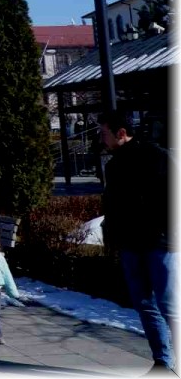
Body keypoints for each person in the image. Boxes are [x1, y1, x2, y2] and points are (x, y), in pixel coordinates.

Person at [99, 109, 178, 371]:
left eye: (105, 132)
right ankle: (163, 362)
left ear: (122, 133)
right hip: (131, 244)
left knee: (169, 305)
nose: (102, 138)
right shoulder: (112, 165)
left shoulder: (156, 156)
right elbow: (112, 204)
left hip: (160, 242)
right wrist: (111, 234)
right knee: (145, 304)